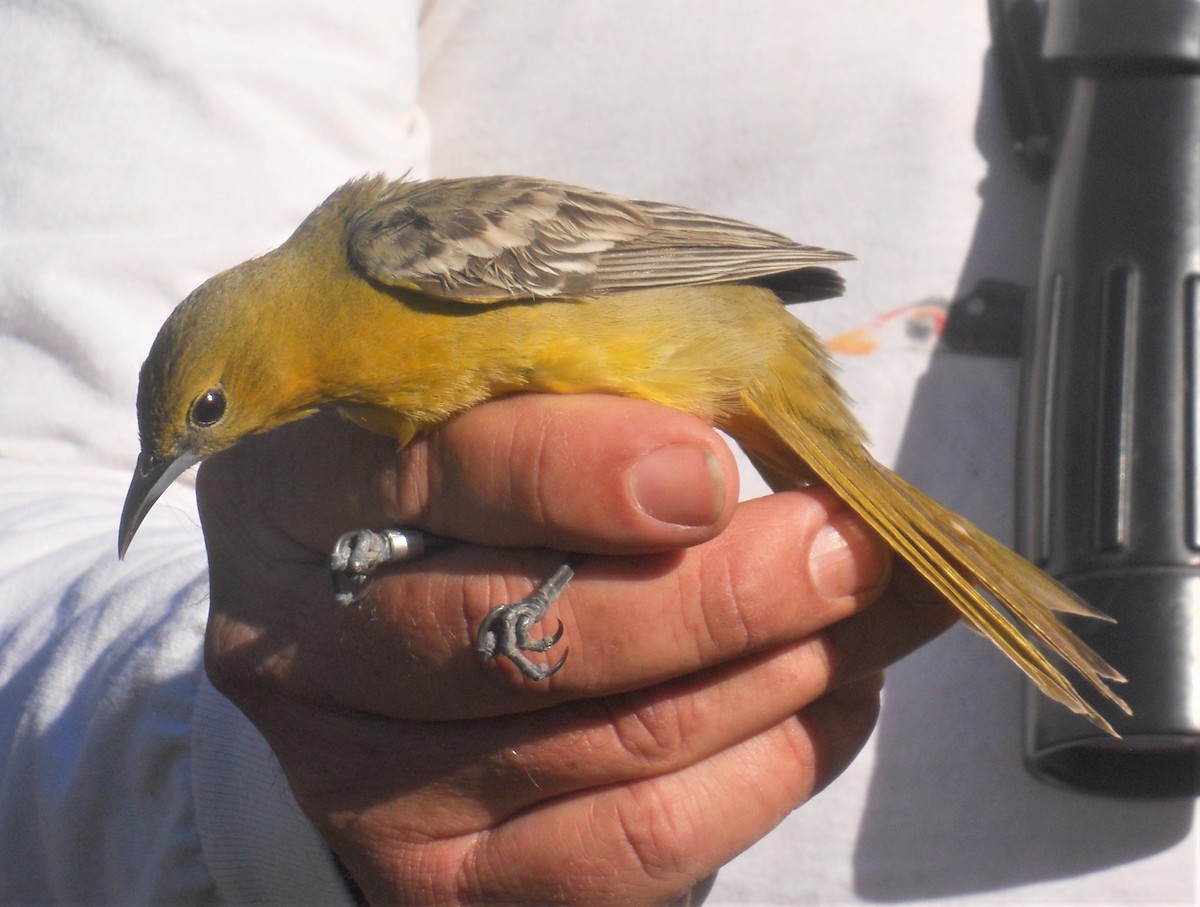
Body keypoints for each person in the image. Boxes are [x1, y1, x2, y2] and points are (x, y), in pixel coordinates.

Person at [1, 2, 1194, 904]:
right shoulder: (338, 363)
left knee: (637, 488)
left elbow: (627, 264)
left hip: (707, 327)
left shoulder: (388, 259)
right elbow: (29, 506)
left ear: (246, 362)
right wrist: (271, 787)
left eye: (200, 423)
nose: (191, 456)